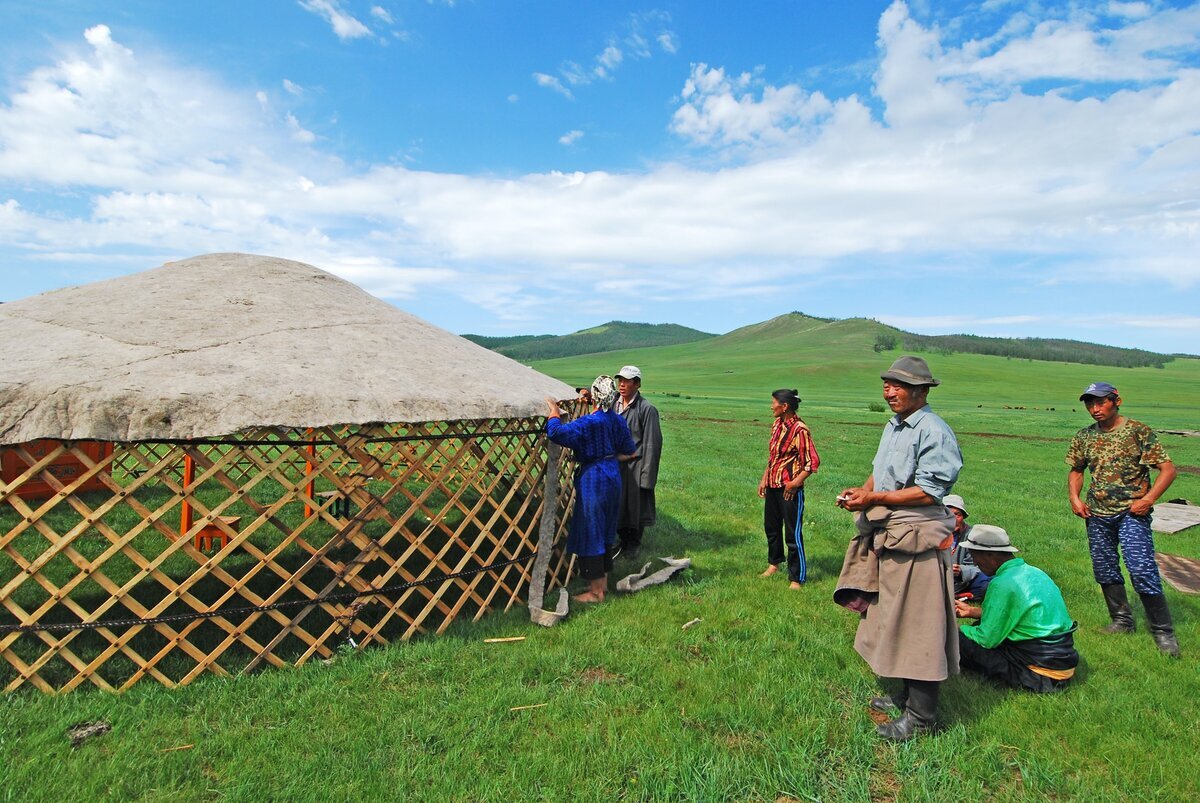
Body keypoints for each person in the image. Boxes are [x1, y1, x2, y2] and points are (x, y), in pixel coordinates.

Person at [836, 355, 963, 742]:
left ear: (922, 391)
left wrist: (875, 496)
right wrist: (864, 490)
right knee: (895, 616)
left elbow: (929, 491)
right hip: (893, 533)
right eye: (887, 384)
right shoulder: (894, 425)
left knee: (919, 624)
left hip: (917, 539)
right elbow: (882, 470)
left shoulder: (934, 431)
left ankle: (922, 718)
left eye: (899, 385)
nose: (889, 391)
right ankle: (907, 696)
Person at [1066, 381, 1180, 656]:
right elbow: (1077, 470)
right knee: (1104, 568)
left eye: (1101, 402)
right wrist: (1075, 498)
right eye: (1089, 403)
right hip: (1097, 513)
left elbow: (1168, 470)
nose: (1095, 408)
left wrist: (1148, 499)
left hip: (1131, 513)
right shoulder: (1084, 436)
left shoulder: (1138, 431)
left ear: (1117, 400)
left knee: (1140, 568)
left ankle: (1163, 633)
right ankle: (1121, 621)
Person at [954, 524, 1079, 692]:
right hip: (1063, 664)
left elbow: (986, 639)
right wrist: (973, 612)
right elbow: (1021, 614)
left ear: (990, 556)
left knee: (952, 637)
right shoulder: (1035, 572)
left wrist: (958, 629)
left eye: (975, 556)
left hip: (1037, 675)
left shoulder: (1002, 584)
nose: (975, 562)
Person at [544, 376, 637, 603]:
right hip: (612, 475)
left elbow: (556, 433)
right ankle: (602, 583)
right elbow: (630, 451)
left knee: (592, 530)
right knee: (605, 530)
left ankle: (596, 593)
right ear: (613, 396)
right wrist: (608, 456)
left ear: (594, 396)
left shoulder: (589, 423)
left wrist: (554, 411)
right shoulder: (617, 420)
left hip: (594, 477)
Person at [758, 388, 819, 589]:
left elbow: (812, 462)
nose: (771, 406)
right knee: (772, 528)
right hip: (773, 486)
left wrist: (795, 483)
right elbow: (773, 457)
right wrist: (764, 479)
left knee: (793, 534)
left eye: (773, 402)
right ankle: (774, 563)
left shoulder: (800, 430)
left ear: (785, 407)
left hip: (789, 490)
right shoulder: (777, 425)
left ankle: (796, 578)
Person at [614, 365, 663, 561]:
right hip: (616, 465)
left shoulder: (646, 409)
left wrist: (647, 477)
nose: (622, 385)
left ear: (637, 383)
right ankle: (622, 540)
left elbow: (652, 443)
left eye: (627, 381)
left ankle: (633, 544)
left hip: (636, 466)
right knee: (619, 504)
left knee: (636, 507)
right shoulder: (613, 405)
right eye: (620, 381)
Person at [943, 494, 990, 601]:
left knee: (988, 582)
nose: (953, 519)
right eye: (948, 514)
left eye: (957, 514)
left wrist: (961, 570)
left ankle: (961, 595)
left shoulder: (972, 536)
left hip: (964, 580)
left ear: (963, 517)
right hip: (935, 577)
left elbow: (978, 567)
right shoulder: (932, 532)